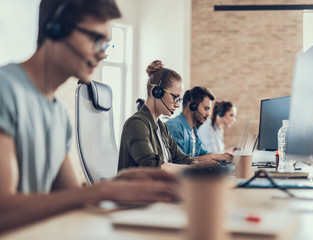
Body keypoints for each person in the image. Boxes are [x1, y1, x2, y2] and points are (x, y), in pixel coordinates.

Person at [0, 0, 179, 232]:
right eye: (96, 40)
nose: (103, 54)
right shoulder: (5, 91)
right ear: (55, 28)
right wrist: (103, 190)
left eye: (106, 44)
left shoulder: (57, 115)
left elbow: (72, 198)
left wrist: (120, 185)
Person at [117, 60, 220, 174]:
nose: (177, 104)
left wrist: (198, 165)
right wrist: (194, 168)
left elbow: (180, 157)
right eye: (174, 97)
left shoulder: (161, 127)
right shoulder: (136, 124)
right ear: (156, 91)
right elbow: (152, 166)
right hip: (138, 190)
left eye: (179, 99)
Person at [166, 87, 233, 162]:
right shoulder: (174, 126)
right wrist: (213, 156)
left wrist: (222, 156)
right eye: (206, 108)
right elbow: (179, 161)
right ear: (192, 106)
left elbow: (203, 154)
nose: (209, 114)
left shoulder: (193, 130)